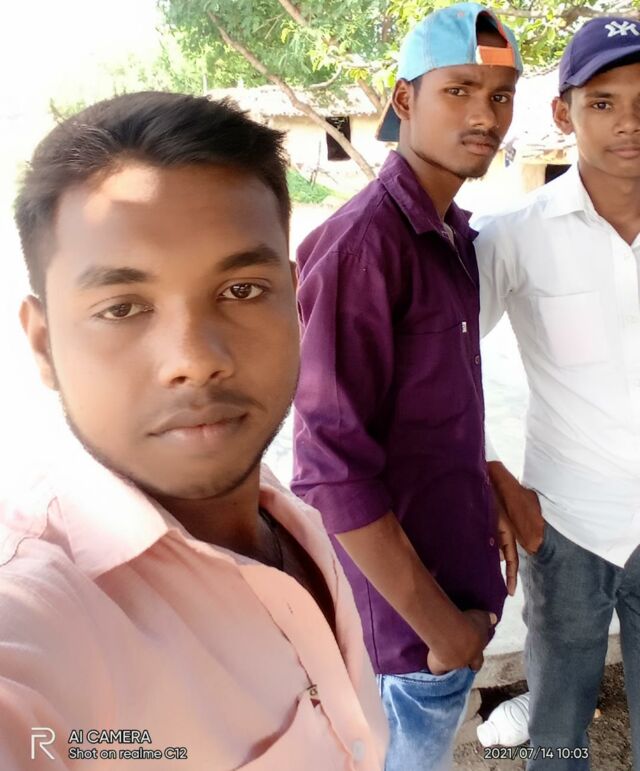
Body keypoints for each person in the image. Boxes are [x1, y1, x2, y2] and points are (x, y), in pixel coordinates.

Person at [0, 92, 388, 770]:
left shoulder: (288, 515)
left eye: (242, 290)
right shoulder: (41, 612)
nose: (195, 358)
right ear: (43, 344)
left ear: (294, 301)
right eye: (122, 307)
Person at [292, 4, 522, 769]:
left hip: (449, 588)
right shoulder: (365, 248)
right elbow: (329, 468)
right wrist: (442, 631)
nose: (485, 116)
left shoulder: (450, 236)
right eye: (459, 90)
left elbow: (423, 406)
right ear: (403, 99)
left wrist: (481, 474)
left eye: (500, 95)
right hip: (407, 639)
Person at [474, 16, 640, 769]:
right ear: (563, 114)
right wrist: (490, 469)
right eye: (602, 102)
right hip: (567, 526)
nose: (627, 122)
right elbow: (440, 365)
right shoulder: (515, 235)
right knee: (559, 727)